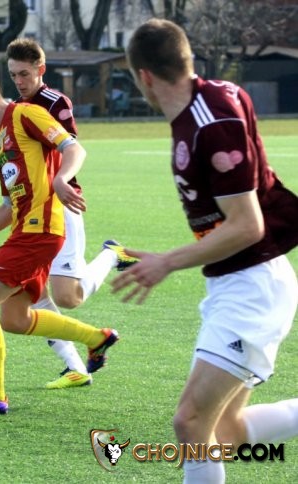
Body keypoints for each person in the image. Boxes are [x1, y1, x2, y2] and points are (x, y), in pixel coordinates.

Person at [113, 18, 298, 483]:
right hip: (240, 279)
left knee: (191, 422)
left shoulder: (211, 123)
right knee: (225, 431)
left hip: (253, 284)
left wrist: (166, 262)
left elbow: (248, 226)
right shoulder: (215, 98)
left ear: (144, 76)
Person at [0, 63, 119, 416]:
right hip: (27, 230)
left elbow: (74, 149)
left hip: (38, 231)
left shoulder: (25, 114)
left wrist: (61, 179)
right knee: (15, 319)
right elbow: (8, 208)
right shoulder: (0, 142)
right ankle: (96, 338)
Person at [0, 38, 137, 389]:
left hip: (59, 206)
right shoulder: (15, 109)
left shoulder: (53, 102)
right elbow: (24, 155)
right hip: (30, 212)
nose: (19, 81)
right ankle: (75, 366)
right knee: (32, 296)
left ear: (41, 70)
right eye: (13, 75)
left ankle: (112, 254)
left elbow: (63, 149)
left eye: (24, 74)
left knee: (67, 297)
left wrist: (61, 180)